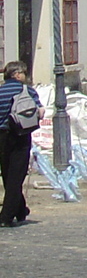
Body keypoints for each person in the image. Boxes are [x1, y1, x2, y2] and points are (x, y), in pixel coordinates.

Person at [0, 61, 40, 227]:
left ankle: (20, 210)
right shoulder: (27, 90)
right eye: (23, 73)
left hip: (1, 136)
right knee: (16, 177)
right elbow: (40, 111)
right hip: (21, 135)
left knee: (8, 174)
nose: (25, 76)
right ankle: (6, 217)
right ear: (17, 74)